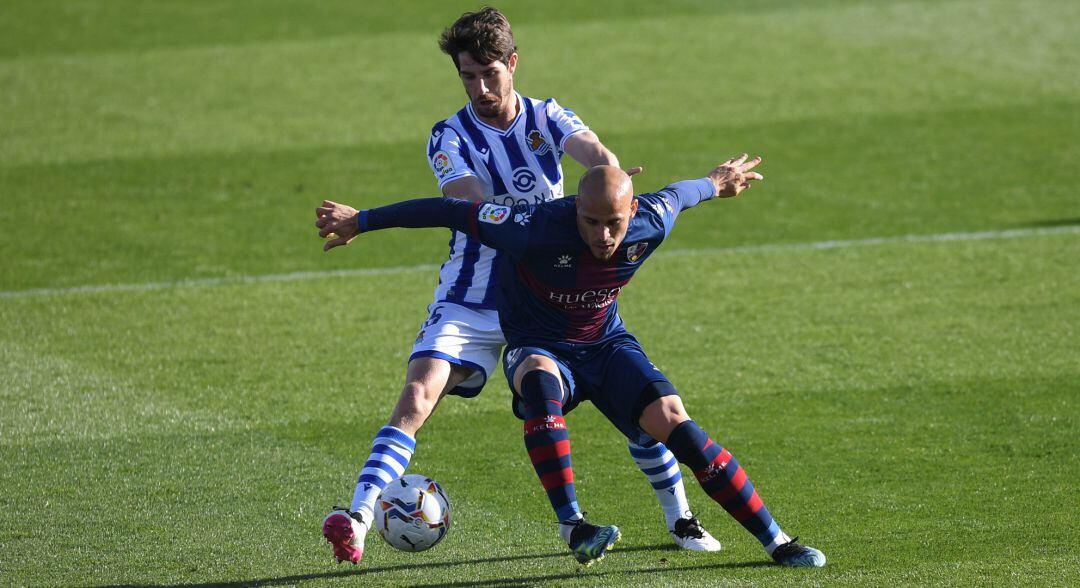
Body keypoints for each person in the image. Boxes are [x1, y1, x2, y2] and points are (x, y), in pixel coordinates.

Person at [320, 7, 716, 565]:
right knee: (417, 393)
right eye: (467, 77)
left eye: (489, 73)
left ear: (512, 63)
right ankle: (358, 518)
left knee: (636, 403)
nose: (480, 88)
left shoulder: (548, 116)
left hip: (553, 290)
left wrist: (610, 182)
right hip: (474, 292)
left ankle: (681, 518)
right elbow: (464, 201)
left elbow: (598, 156)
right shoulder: (448, 135)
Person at [314, 155, 827, 567]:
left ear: (632, 214)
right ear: (575, 208)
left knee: (678, 427)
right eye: (591, 222)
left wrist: (720, 181)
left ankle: (778, 542)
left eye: (614, 224)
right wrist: (362, 220)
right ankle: (574, 525)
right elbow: (447, 212)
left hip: (606, 344)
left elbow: (688, 192)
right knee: (538, 384)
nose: (604, 236)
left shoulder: (651, 219)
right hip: (538, 344)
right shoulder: (531, 227)